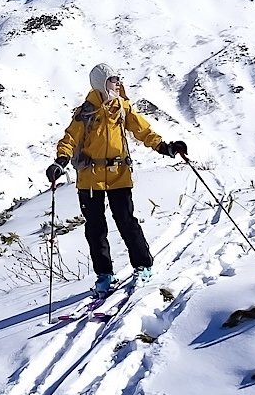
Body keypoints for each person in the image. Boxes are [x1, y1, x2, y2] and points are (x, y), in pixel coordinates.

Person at [46, 64, 187, 296]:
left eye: (118, 79)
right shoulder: (85, 113)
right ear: (101, 83)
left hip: (119, 175)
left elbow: (143, 131)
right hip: (90, 179)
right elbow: (69, 139)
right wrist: (60, 161)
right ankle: (104, 275)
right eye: (113, 79)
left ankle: (143, 266)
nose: (118, 83)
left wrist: (165, 147)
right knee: (95, 229)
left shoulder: (123, 108)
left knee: (126, 222)